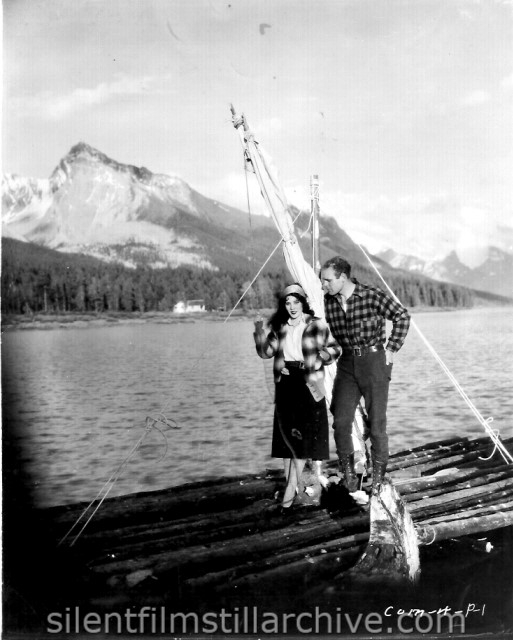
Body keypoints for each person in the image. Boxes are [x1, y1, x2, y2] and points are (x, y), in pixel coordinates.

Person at [320, 257, 410, 495]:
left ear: (343, 277)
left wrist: (391, 348)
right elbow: (334, 340)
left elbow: (402, 316)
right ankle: (349, 477)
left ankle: (378, 481)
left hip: (374, 363)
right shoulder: (328, 302)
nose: (324, 285)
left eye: (328, 280)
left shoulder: (371, 296)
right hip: (347, 364)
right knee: (340, 421)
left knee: (378, 425)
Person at [253, 283, 341, 511]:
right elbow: (266, 352)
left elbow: (335, 348)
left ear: (303, 303)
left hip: (309, 382)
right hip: (286, 383)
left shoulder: (316, 324)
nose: (292, 307)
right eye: (288, 303)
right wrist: (259, 329)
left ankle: (289, 493)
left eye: (296, 302)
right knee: (286, 442)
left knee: (303, 442)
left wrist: (322, 355)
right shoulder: (280, 327)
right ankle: (293, 489)